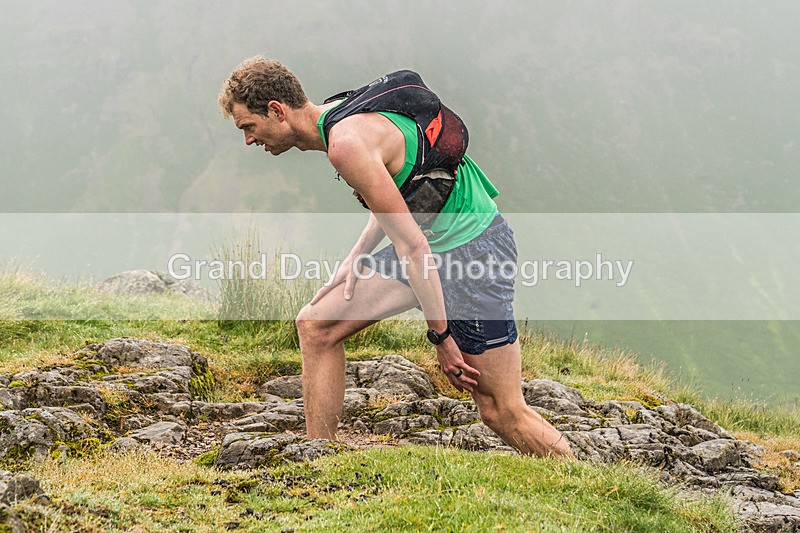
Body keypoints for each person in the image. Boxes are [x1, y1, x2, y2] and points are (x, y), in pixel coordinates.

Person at [219, 56, 573, 458]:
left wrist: (440, 337)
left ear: (276, 111)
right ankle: (318, 459)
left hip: (473, 249)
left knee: (500, 410)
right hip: (434, 245)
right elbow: (395, 199)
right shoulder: (342, 110)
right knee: (316, 325)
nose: (249, 140)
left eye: (248, 127)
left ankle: (593, 486)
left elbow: (411, 248)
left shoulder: (345, 144)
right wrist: (357, 256)